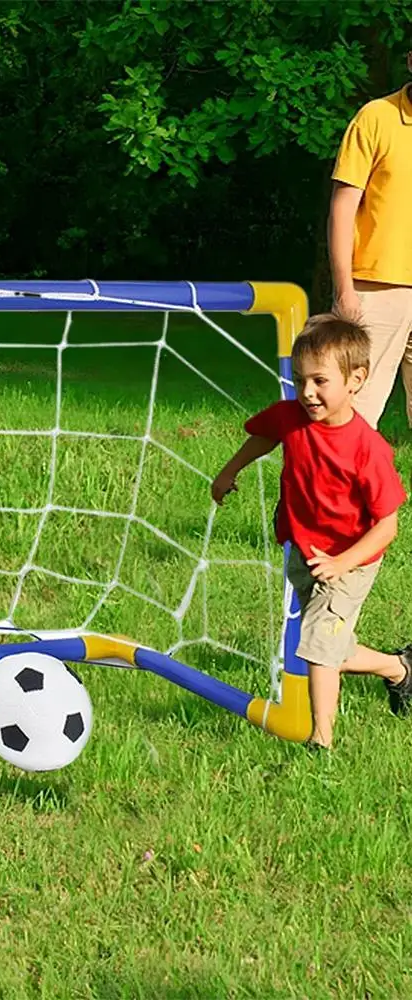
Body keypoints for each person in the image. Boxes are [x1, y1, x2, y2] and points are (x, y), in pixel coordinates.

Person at [211, 314, 410, 749]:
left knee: (318, 647)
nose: (308, 392)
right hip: (305, 549)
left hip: (350, 560)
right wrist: (228, 472)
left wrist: (343, 561)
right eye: (300, 380)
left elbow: (388, 525)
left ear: (356, 380)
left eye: (320, 381)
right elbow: (263, 436)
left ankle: (320, 741)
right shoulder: (292, 417)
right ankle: (398, 669)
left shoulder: (367, 448)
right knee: (330, 644)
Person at [327, 49, 412, 432]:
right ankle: (330, 492)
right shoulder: (375, 117)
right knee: (351, 413)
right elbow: (343, 207)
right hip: (376, 289)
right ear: (410, 61)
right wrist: (345, 289)